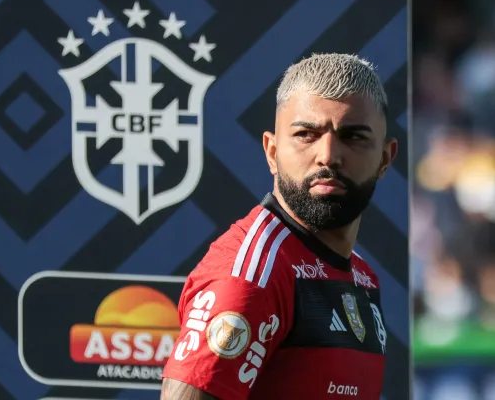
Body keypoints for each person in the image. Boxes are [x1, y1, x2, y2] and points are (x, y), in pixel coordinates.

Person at [161, 53, 398, 400]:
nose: (328, 155)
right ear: (272, 152)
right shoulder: (251, 275)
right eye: (306, 134)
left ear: (385, 158)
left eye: (354, 136)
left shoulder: (362, 275)